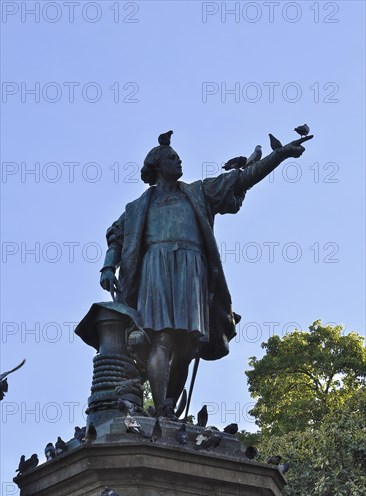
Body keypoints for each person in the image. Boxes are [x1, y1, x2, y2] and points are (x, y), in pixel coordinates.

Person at [100, 131, 311, 410]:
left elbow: (241, 178)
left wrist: (279, 155)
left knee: (187, 345)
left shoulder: (198, 192)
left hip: (192, 267)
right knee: (162, 337)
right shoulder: (138, 206)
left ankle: (167, 406)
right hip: (156, 267)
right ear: (157, 165)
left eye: (179, 157)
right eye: (172, 158)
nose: (179, 161)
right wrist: (107, 266)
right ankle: (161, 407)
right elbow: (117, 236)